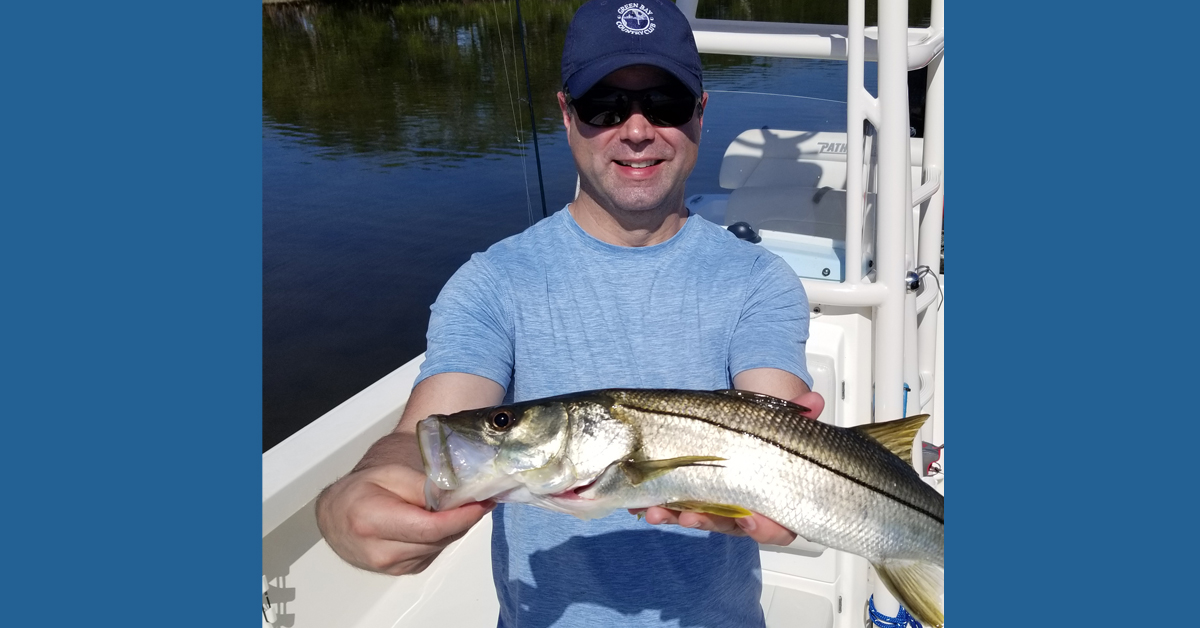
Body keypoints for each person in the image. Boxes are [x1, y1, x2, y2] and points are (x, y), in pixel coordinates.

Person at [316, 0, 825, 625]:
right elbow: (420, 437)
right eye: (604, 107)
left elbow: (777, 408)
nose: (637, 131)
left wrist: (793, 487)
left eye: (663, 105)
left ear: (700, 114)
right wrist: (349, 497)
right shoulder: (492, 282)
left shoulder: (758, 278)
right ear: (566, 113)